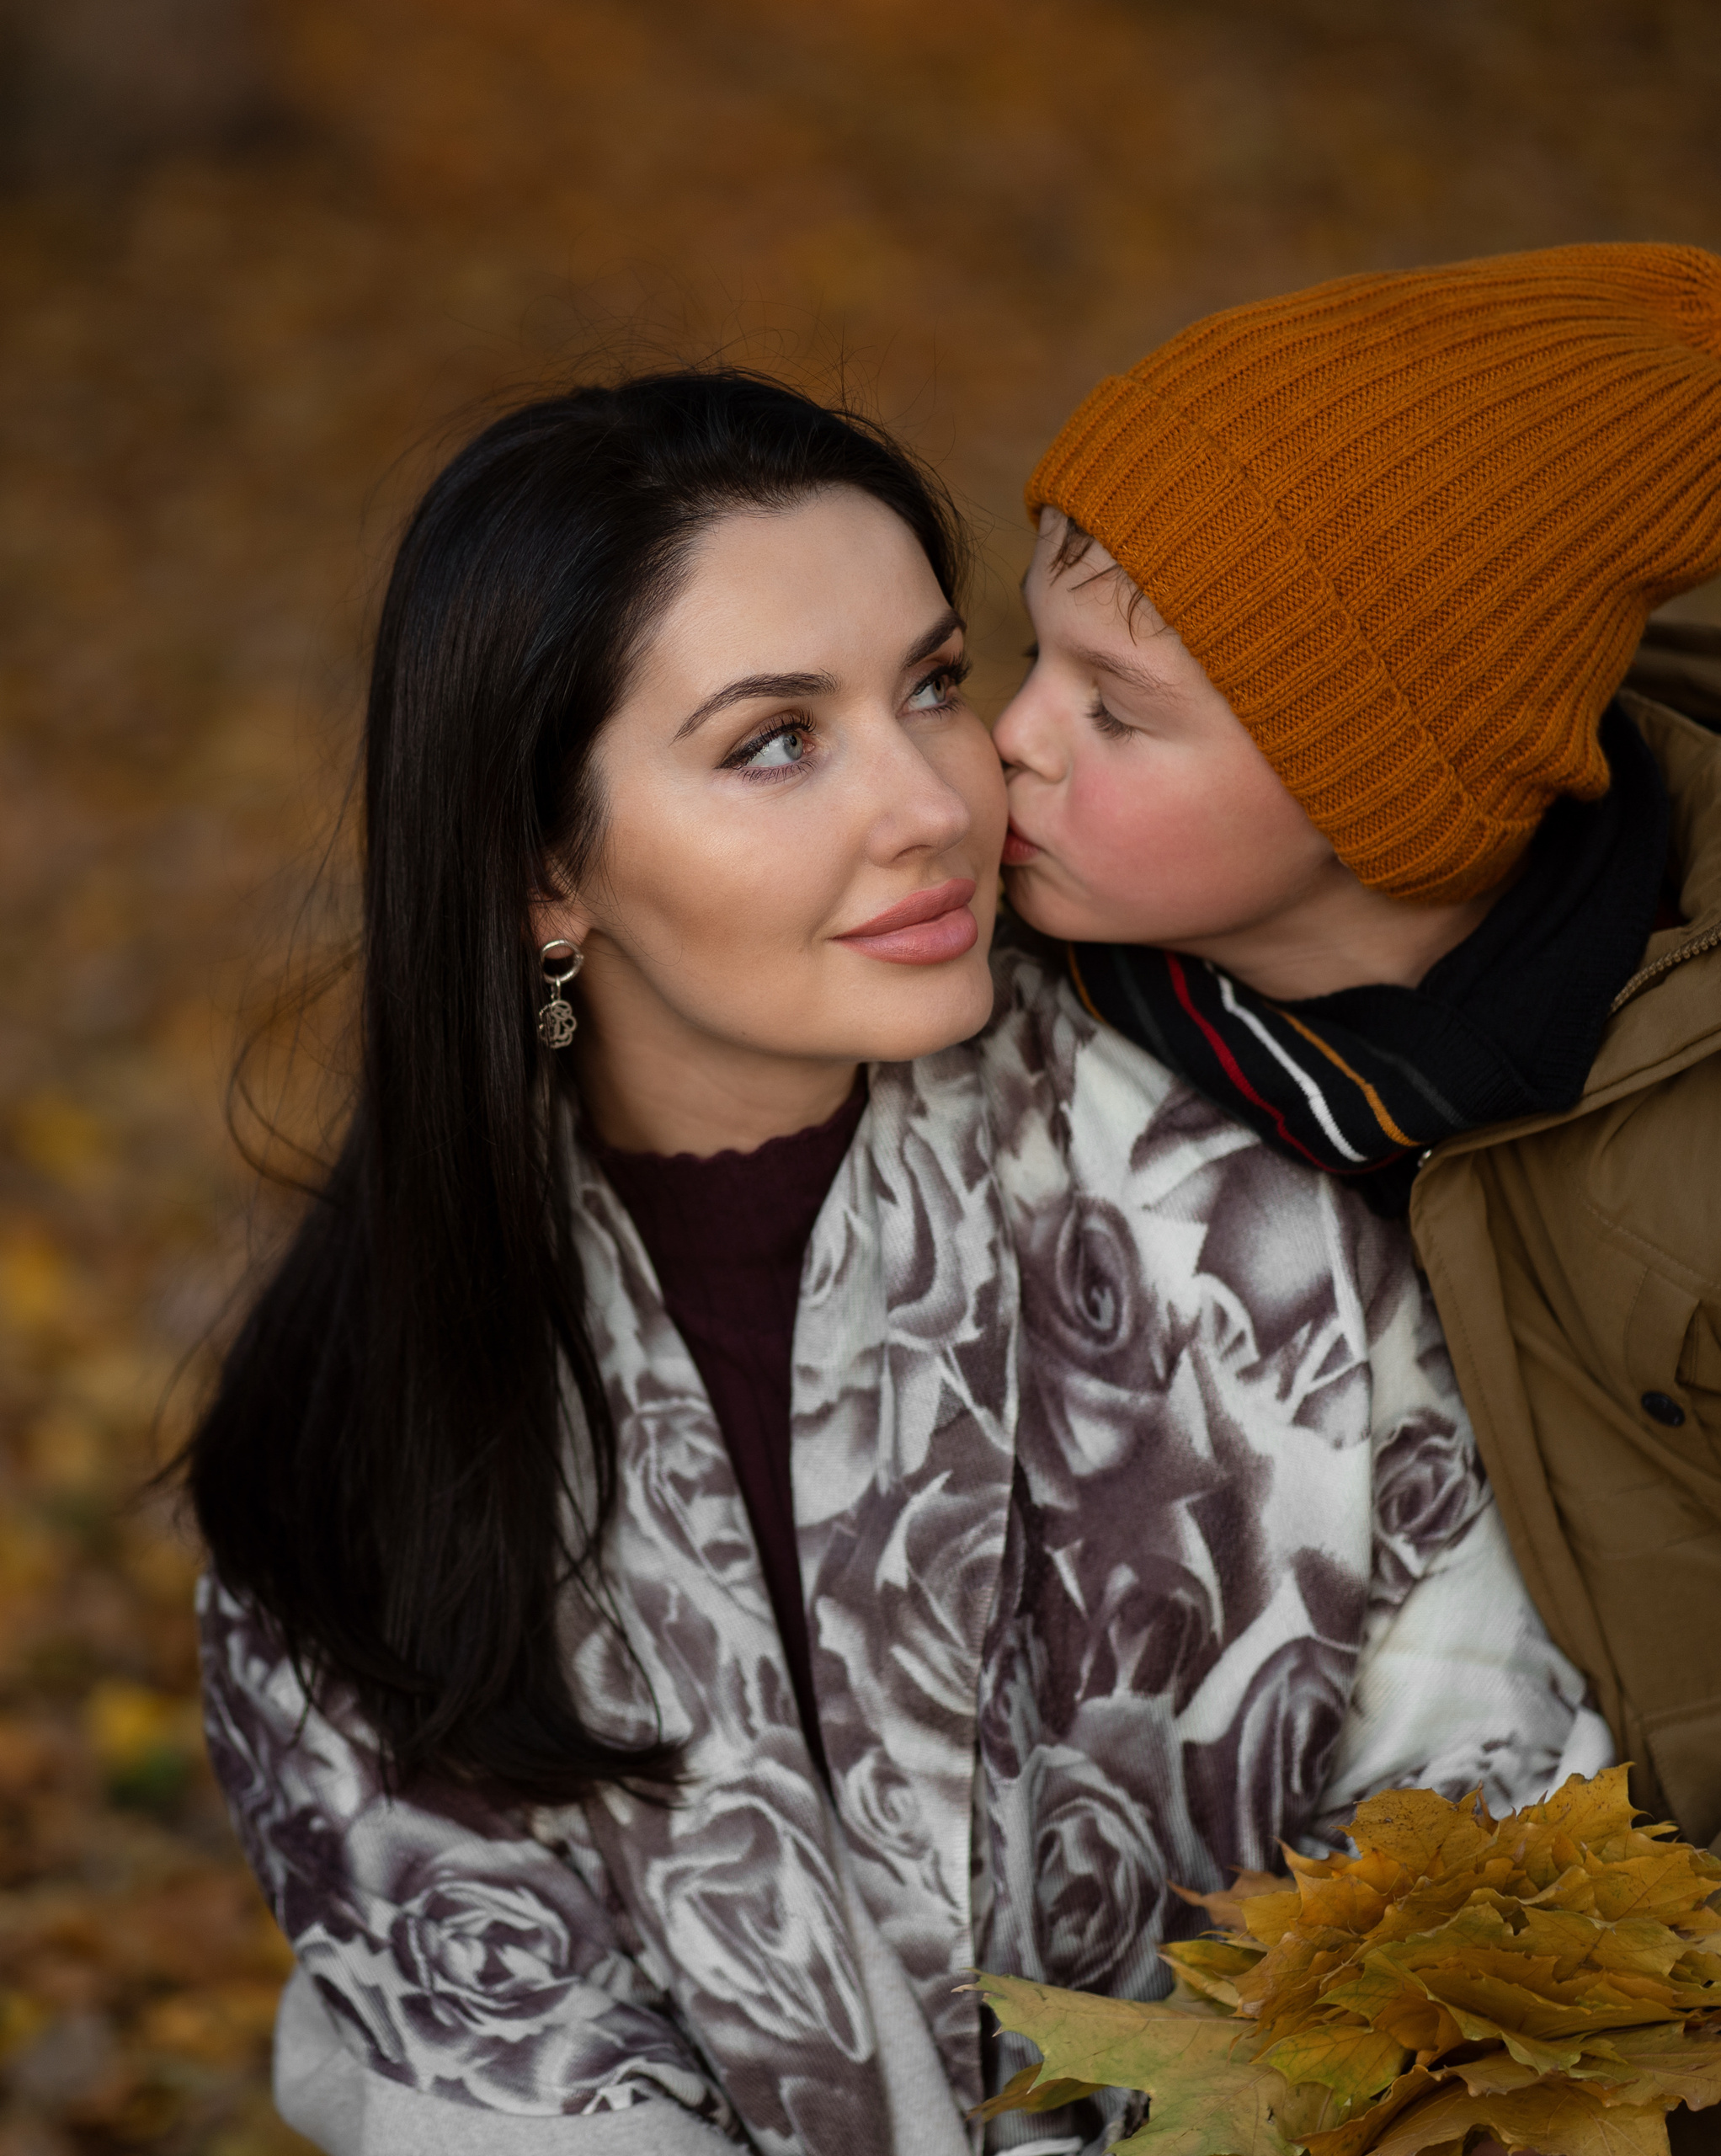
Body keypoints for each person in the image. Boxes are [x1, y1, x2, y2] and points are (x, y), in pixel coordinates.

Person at [187, 367, 1601, 2156]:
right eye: (775, 737)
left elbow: (1478, 1805)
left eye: (933, 684)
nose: (935, 801)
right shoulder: (359, 1425)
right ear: (543, 866)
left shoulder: (1273, 1201)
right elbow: (499, 2056)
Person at [993, 244, 1721, 2156]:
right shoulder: (1048, 1015)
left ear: (1383, 785)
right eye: (1028, 651)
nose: (1015, 734)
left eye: (1115, 707)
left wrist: (1602, 2041)